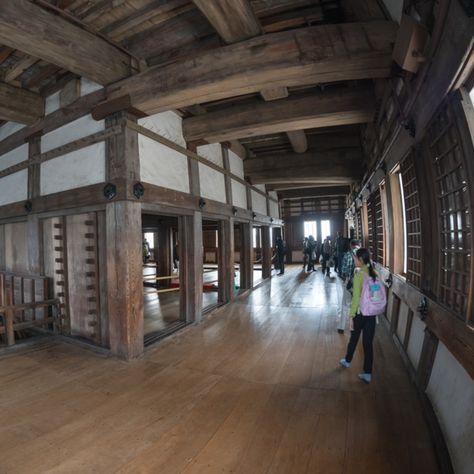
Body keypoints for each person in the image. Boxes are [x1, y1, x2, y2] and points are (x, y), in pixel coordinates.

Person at [339, 248, 386, 384]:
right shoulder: (374, 273)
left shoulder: (359, 275)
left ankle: (347, 361)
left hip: (360, 313)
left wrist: (351, 316)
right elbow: (375, 295)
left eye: (355, 258)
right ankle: (368, 373)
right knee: (368, 344)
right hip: (371, 314)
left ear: (360, 259)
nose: (354, 260)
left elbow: (355, 299)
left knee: (354, 338)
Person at [337, 239, 360, 334]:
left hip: (349, 283)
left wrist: (346, 280)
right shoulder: (363, 254)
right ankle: (355, 327)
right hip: (360, 284)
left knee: (345, 305)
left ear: (351, 246)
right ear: (359, 245)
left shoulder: (347, 255)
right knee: (358, 305)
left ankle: (341, 327)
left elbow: (343, 271)